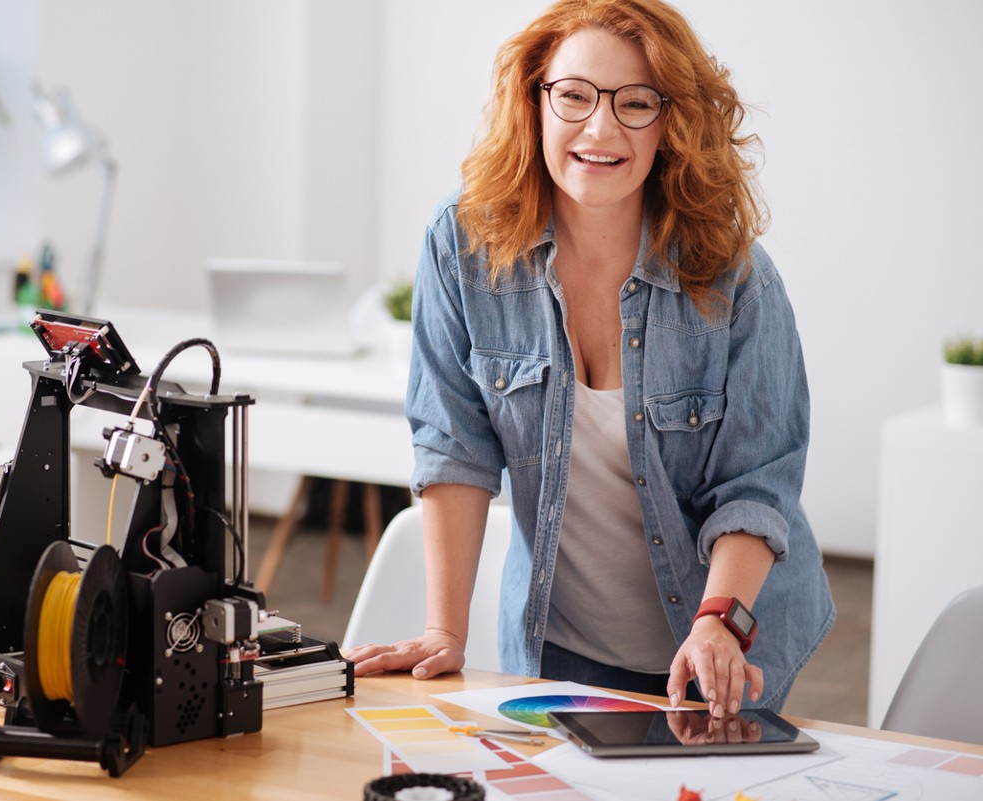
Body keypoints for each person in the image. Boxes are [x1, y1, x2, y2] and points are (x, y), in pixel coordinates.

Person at [345, 0, 835, 718]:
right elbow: (455, 446)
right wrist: (444, 630)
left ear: (671, 123)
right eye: (574, 95)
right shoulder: (464, 242)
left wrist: (716, 625)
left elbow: (757, 488)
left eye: (636, 103)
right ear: (535, 98)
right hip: (557, 648)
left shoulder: (733, 277)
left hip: (714, 652)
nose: (600, 128)